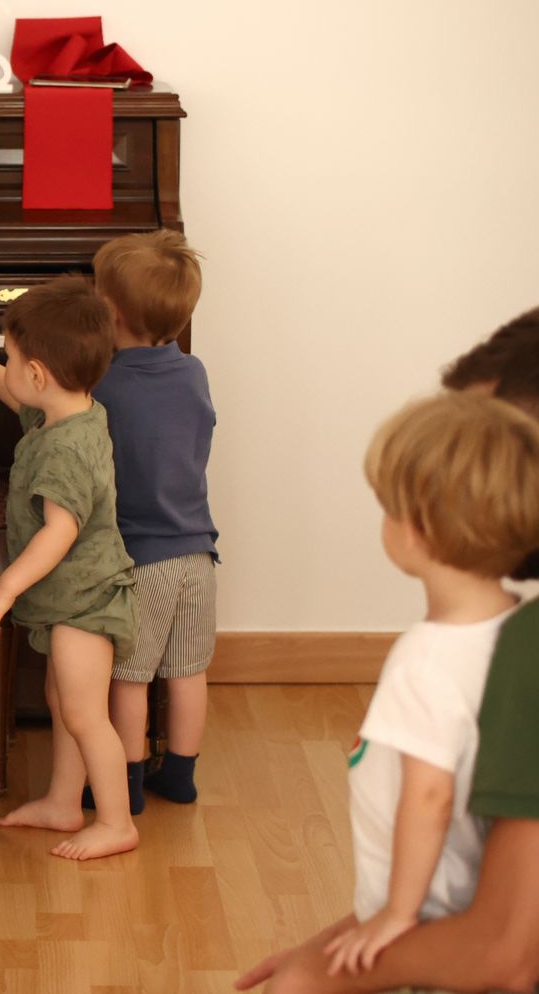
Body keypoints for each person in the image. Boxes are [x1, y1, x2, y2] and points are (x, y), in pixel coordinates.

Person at [238, 306, 539, 994]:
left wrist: (325, 969)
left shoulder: (468, 654)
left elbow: (504, 953)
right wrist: (343, 938)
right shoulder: (508, 632)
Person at [0, 275, 139, 861]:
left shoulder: (66, 449)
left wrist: (4, 587)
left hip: (86, 599)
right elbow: (20, 403)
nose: (5, 363)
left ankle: (115, 821)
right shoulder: (70, 413)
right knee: (63, 701)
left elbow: (61, 530)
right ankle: (63, 801)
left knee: (84, 712)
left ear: (37, 375)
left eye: (9, 356)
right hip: (70, 599)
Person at [90, 230, 216, 813]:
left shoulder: (107, 384)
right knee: (187, 672)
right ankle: (181, 776)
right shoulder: (194, 372)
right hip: (198, 554)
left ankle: (130, 782)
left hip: (142, 559)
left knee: (131, 678)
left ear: (110, 313)